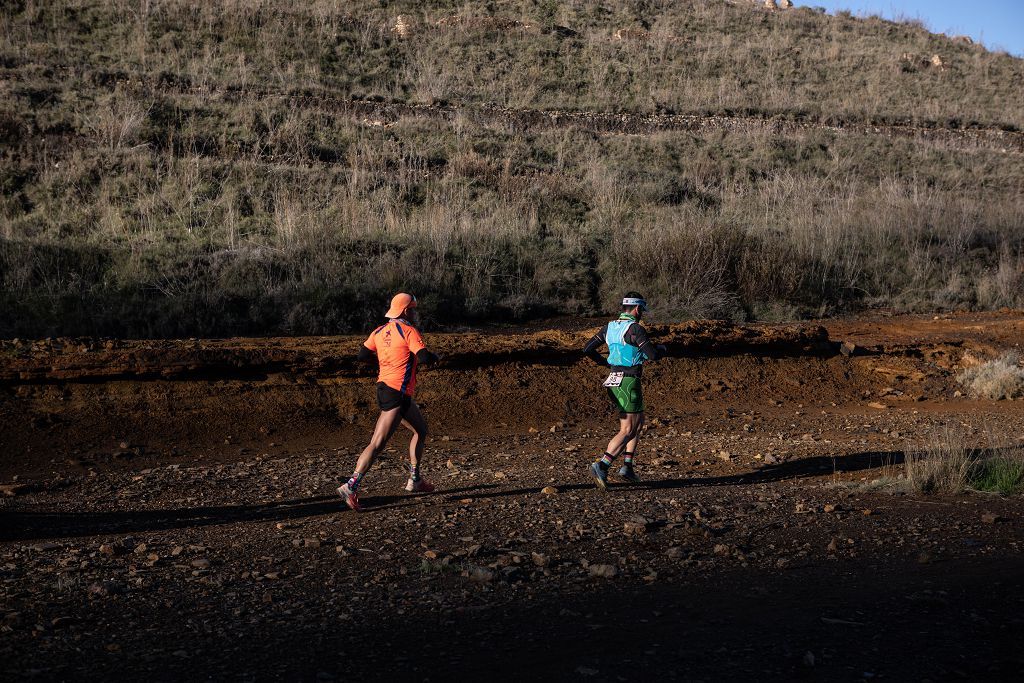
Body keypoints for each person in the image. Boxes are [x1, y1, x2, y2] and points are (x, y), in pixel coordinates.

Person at [337, 293, 440, 511]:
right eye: (412, 309)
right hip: (396, 393)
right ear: (405, 311)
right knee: (377, 443)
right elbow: (423, 357)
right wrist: (436, 357)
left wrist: (387, 359)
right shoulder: (409, 331)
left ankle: (415, 479)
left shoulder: (378, 331)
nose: (414, 312)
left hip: (388, 389)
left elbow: (362, 355)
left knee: (420, 430)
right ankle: (350, 486)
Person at [582, 292, 666, 489]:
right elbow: (652, 355)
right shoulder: (636, 329)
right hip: (629, 381)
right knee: (628, 429)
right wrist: (663, 349)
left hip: (614, 379)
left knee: (637, 423)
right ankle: (602, 465)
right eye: (642, 310)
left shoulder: (609, 327)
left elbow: (587, 349)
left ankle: (627, 467)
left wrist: (604, 362)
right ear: (637, 309)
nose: (642, 314)